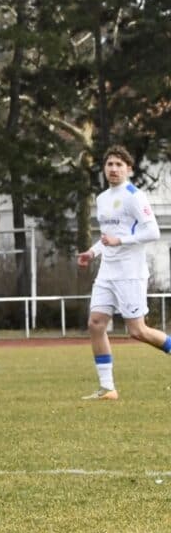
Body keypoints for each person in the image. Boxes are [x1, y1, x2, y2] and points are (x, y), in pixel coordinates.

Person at [75, 145, 171, 399]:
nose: (114, 169)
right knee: (96, 324)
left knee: (137, 331)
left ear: (129, 169)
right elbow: (109, 236)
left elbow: (153, 232)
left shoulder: (134, 196)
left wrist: (122, 242)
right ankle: (108, 388)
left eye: (119, 165)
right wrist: (92, 252)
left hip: (130, 273)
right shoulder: (102, 198)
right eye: (110, 164)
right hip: (107, 272)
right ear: (104, 169)